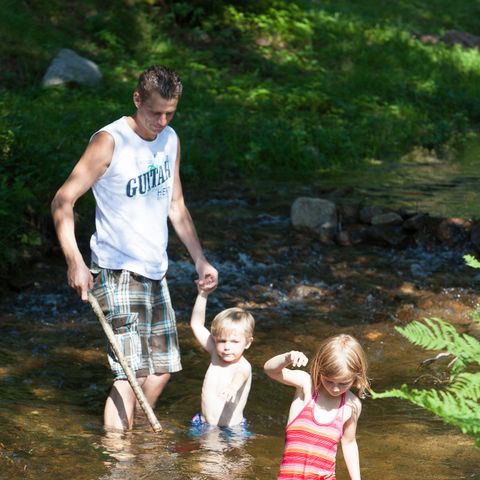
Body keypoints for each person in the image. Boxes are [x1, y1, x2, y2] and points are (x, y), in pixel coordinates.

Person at [51, 65, 218, 431]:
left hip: (155, 270)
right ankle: (117, 459)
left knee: (160, 372)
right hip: (116, 270)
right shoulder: (109, 141)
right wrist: (75, 261)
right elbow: (62, 201)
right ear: (137, 99)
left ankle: (134, 443)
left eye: (169, 113)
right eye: (154, 112)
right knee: (129, 374)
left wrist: (200, 259)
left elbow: (176, 205)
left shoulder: (170, 139)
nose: (160, 121)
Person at [264, 334, 370, 480]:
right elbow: (270, 370)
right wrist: (287, 358)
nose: (336, 389)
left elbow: (349, 442)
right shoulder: (306, 385)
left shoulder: (351, 405)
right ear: (320, 370)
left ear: (356, 377)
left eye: (343, 383)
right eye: (329, 381)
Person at [190, 284, 255, 428]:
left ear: (247, 343)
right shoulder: (215, 353)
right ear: (214, 339)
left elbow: (240, 375)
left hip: (231, 429)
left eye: (234, 341)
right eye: (222, 340)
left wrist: (232, 387)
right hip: (203, 422)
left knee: (216, 450)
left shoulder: (243, 365)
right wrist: (203, 294)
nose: (227, 347)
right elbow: (196, 325)